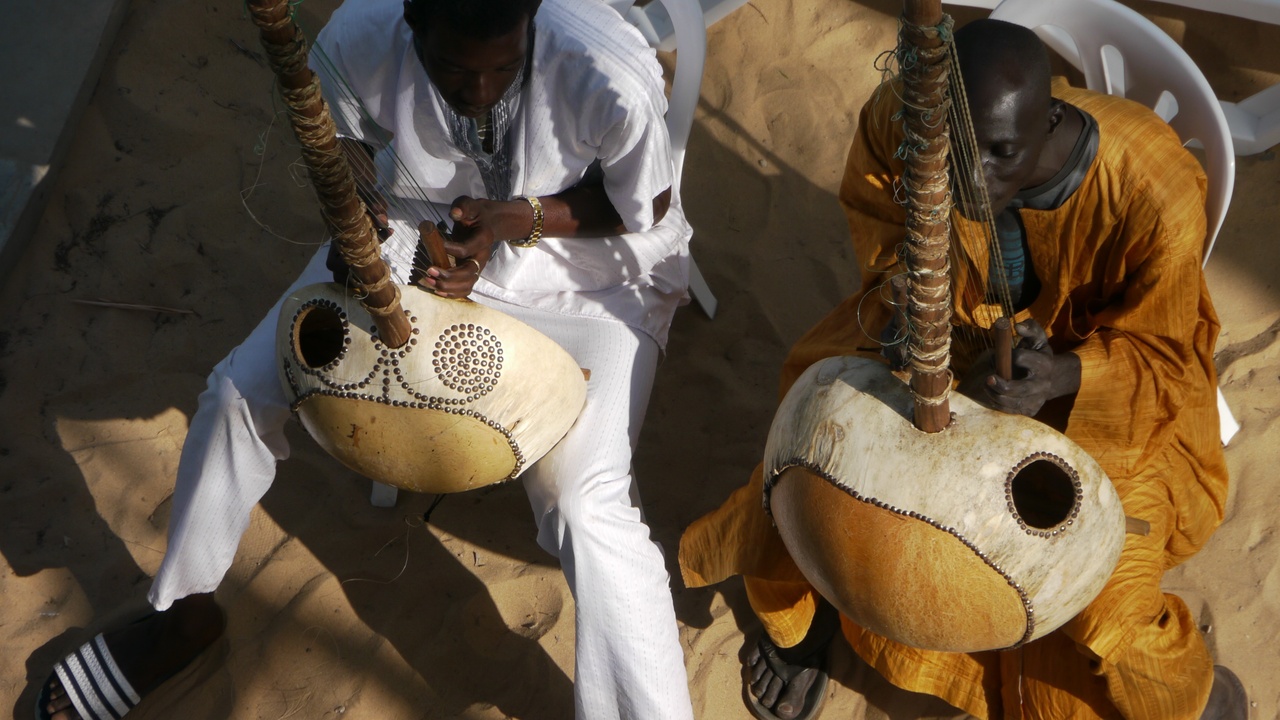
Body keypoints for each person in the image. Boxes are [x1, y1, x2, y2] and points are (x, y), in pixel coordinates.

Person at [38, 0, 696, 718]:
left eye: (505, 68)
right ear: (414, 17)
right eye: (453, 69)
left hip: (591, 281)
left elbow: (645, 211)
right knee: (237, 396)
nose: (480, 93)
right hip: (421, 231)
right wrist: (360, 210)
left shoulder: (604, 68)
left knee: (583, 502)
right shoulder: (364, 28)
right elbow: (339, 134)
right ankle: (181, 611)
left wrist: (512, 221)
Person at [678, 18, 1247, 720]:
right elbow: (884, 233)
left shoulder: (1149, 187)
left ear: (1049, 124)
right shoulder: (903, 118)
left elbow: (1169, 359)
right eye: (953, 152)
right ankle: (803, 624)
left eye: (1003, 152)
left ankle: (1195, 694)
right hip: (935, 338)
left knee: (1106, 608)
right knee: (805, 460)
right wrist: (928, 335)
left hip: (1110, 401)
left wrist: (1061, 377)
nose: (973, 182)